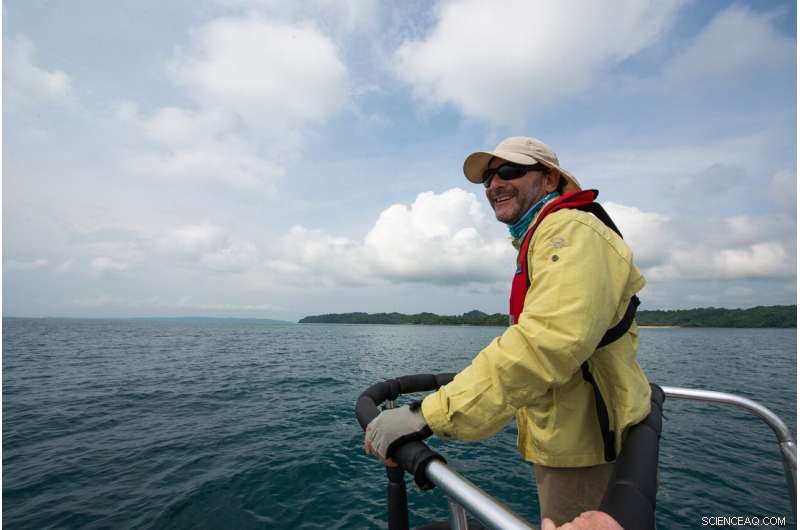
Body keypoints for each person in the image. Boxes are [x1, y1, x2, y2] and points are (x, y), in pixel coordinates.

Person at [364, 136, 651, 526]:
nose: (493, 185)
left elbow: (544, 342)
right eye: (487, 179)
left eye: (510, 171)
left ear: (550, 180)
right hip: (573, 438)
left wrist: (423, 416)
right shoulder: (546, 235)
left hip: (589, 448)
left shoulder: (570, 230)